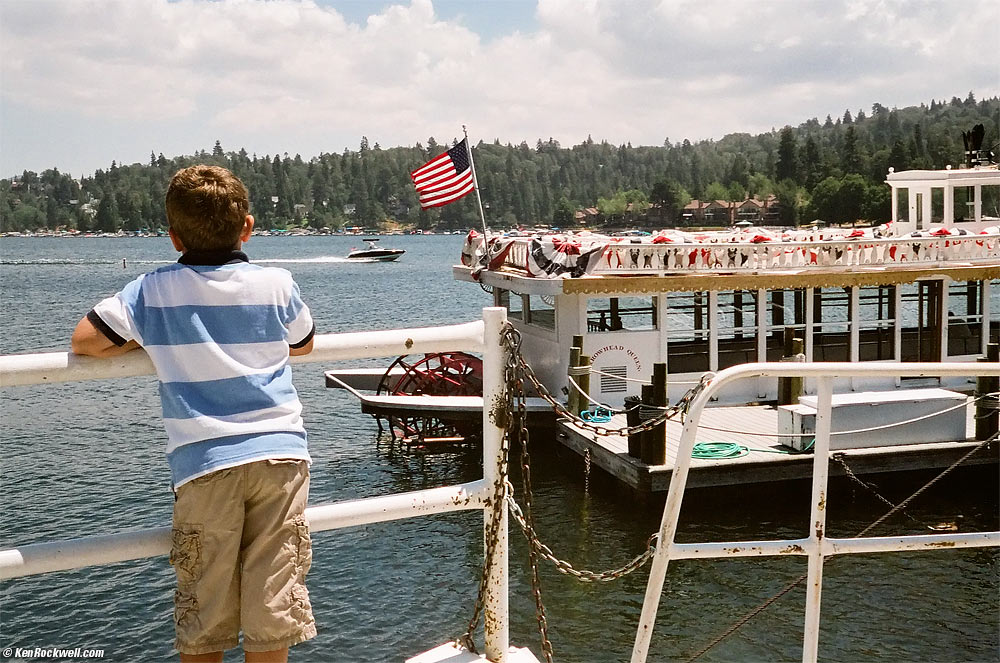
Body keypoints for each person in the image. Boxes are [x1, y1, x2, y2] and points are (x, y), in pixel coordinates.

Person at [71, 165, 317, 662]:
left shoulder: (152, 291)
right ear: (247, 227)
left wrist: (151, 336)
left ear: (173, 236)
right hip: (281, 457)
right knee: (272, 609)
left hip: (205, 464)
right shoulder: (277, 283)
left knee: (204, 613)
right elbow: (304, 343)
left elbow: (86, 341)